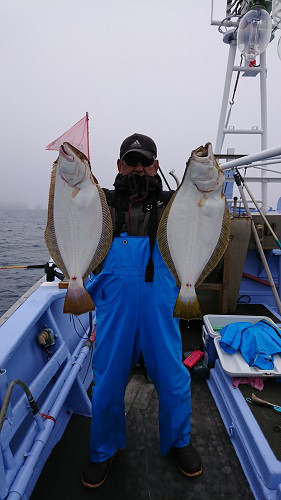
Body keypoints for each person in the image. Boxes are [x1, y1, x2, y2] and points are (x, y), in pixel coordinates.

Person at [82, 133, 202, 488]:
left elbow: (201, 218)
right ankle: (103, 449)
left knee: (173, 375)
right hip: (116, 304)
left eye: (146, 162)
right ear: (119, 165)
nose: (139, 167)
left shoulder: (171, 205)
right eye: (131, 161)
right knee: (106, 381)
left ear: (157, 165)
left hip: (159, 302)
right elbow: (71, 217)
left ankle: (180, 440)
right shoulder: (102, 204)